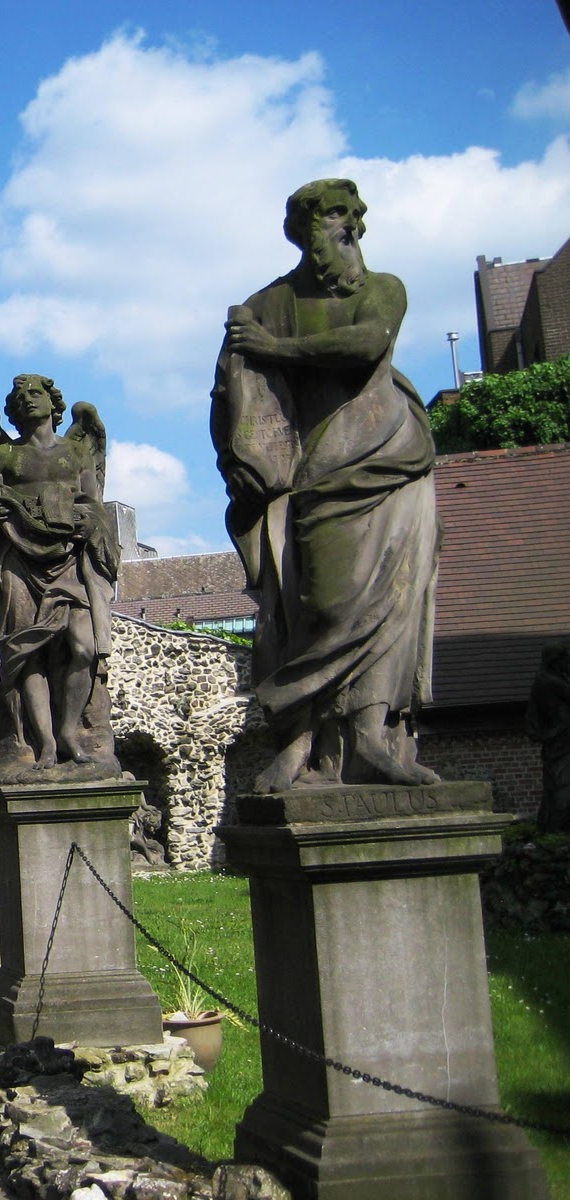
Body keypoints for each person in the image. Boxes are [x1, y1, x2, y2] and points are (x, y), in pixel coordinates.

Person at [213, 179, 440, 792]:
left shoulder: (383, 290)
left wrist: (278, 348)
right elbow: (231, 393)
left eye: (351, 215)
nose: (347, 227)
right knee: (315, 605)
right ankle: (299, 740)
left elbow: (369, 345)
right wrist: (236, 461)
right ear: (301, 231)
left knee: (391, 601)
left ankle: (371, 736)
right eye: (331, 216)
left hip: (388, 456)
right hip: (309, 476)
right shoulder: (266, 304)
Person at [0, 375, 117, 781]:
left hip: (68, 559)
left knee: (84, 647)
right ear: (13, 412)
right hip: (19, 561)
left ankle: (71, 729)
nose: (27, 401)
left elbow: (96, 505)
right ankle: (46, 741)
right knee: (25, 652)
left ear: (53, 403)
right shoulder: (1, 455)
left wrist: (91, 524)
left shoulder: (76, 453)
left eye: (35, 394)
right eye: (19, 398)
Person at [526, 641, 570, 833]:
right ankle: (554, 831)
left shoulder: (557, 677)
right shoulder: (548, 681)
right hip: (561, 743)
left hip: (563, 741)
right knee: (561, 789)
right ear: (556, 661)